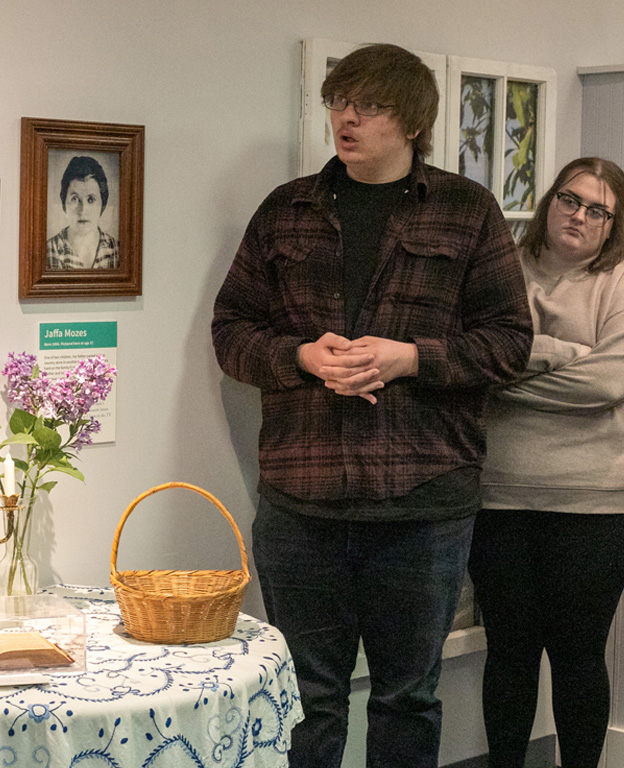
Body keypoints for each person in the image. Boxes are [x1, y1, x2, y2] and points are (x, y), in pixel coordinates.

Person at [212, 43, 532, 768]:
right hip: (302, 500)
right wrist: (299, 357)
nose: (345, 118)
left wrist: (411, 357)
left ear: (413, 121)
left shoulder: (466, 210)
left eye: (368, 105)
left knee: (407, 698)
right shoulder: (285, 210)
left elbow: (510, 343)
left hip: (422, 505)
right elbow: (231, 334)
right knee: (305, 698)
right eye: (337, 101)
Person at [469, 157, 624, 768]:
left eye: (598, 210)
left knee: (579, 656)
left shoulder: (617, 282)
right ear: (549, 201)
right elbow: (470, 356)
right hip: (498, 498)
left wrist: (501, 380)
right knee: (508, 654)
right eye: (570, 200)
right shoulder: (501, 270)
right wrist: (567, 352)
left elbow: (609, 382)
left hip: (594, 505)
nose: (579, 217)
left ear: (612, 226)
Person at [46, 155, 119, 270]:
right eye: (75, 199)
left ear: (102, 204)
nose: (83, 210)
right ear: (64, 203)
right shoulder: (48, 251)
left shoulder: (118, 251)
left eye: (91, 199)